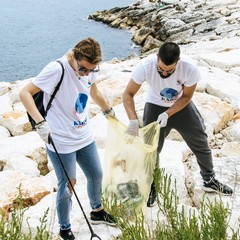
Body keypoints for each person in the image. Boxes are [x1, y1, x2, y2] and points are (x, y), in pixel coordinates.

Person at [20, 37, 116, 240]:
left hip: (83, 134)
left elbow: (94, 90)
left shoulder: (89, 70)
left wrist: (108, 110)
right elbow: (25, 93)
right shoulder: (57, 69)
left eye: (92, 70)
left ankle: (97, 211)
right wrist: (40, 124)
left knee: (96, 174)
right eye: (83, 69)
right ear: (74, 56)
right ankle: (65, 228)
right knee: (68, 184)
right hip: (60, 139)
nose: (87, 73)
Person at [122, 42, 233, 208]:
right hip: (154, 105)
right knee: (150, 149)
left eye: (170, 71)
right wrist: (132, 120)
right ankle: (150, 184)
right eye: (161, 69)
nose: (165, 73)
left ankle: (209, 180)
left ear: (178, 62)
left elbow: (187, 96)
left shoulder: (189, 68)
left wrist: (167, 113)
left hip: (181, 106)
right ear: (157, 58)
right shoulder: (145, 66)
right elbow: (128, 94)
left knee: (201, 142)